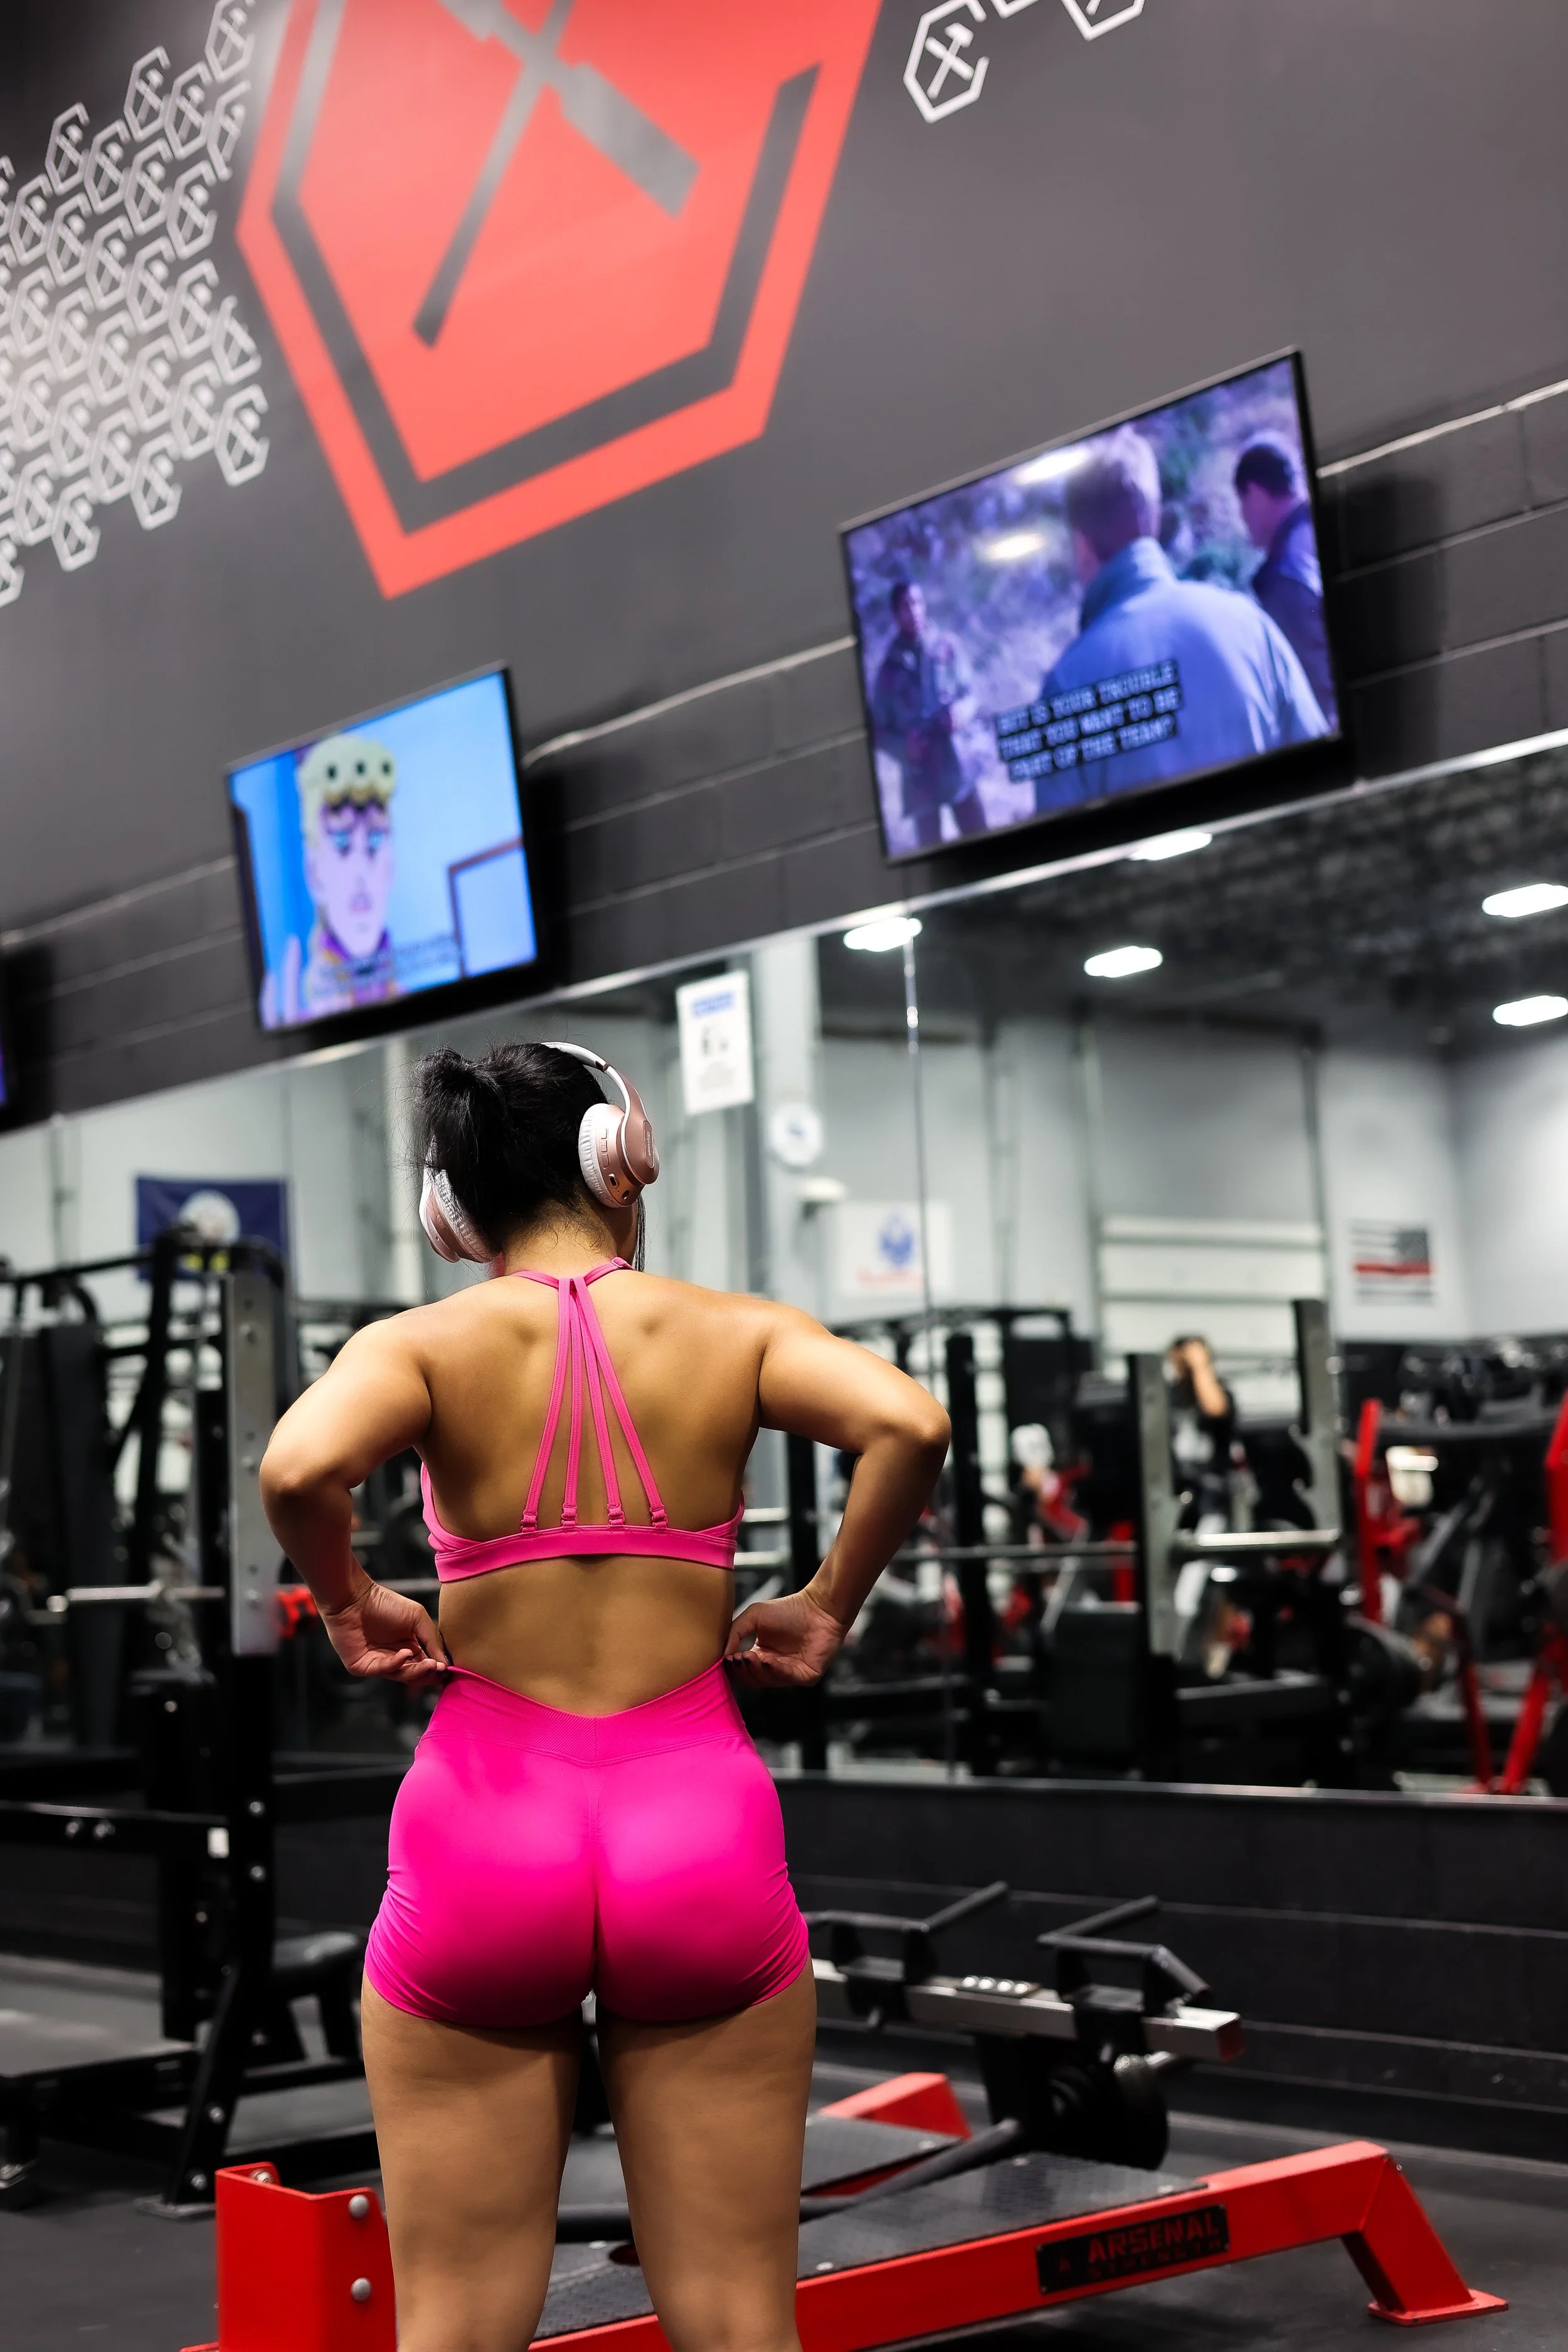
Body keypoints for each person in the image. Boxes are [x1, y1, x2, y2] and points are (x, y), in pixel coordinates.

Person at [258, 1041, 950, 2352]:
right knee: (739, 2322)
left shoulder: (418, 1345)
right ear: (617, 1157)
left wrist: (351, 1602)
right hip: (692, 1821)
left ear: (451, 1209)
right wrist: (822, 1603)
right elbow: (907, 1425)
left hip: (482, 1826)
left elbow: (297, 1470)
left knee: (455, 2328)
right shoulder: (735, 1332)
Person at [1034, 428, 1328, 811]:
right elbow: (1323, 777)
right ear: (1153, 520)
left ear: (1081, 545)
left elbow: (1063, 855)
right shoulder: (1250, 624)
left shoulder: (1065, 687)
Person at [261, 732, 400, 1025]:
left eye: (375, 839)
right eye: (341, 843)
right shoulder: (308, 1006)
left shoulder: (403, 990)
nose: (361, 871)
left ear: (391, 865)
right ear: (314, 872)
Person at [870, 581, 988, 847]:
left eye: (917, 603)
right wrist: (904, 747)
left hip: (958, 763)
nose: (913, 611)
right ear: (896, 614)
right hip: (920, 776)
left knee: (983, 842)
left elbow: (972, 693)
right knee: (933, 854)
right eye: (905, 606)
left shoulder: (947, 648)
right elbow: (878, 732)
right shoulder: (888, 672)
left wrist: (960, 713)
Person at [1234, 439, 1338, 728]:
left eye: (1241, 502)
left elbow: (1316, 700)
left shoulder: (1285, 578)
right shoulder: (1320, 528)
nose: (1242, 517)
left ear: (1253, 493)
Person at [1165, 1335, 1237, 1530]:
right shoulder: (1169, 1396)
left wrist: (1199, 1367)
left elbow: (1215, 1409)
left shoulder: (1219, 1391)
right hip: (1176, 1488)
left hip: (1211, 1490)